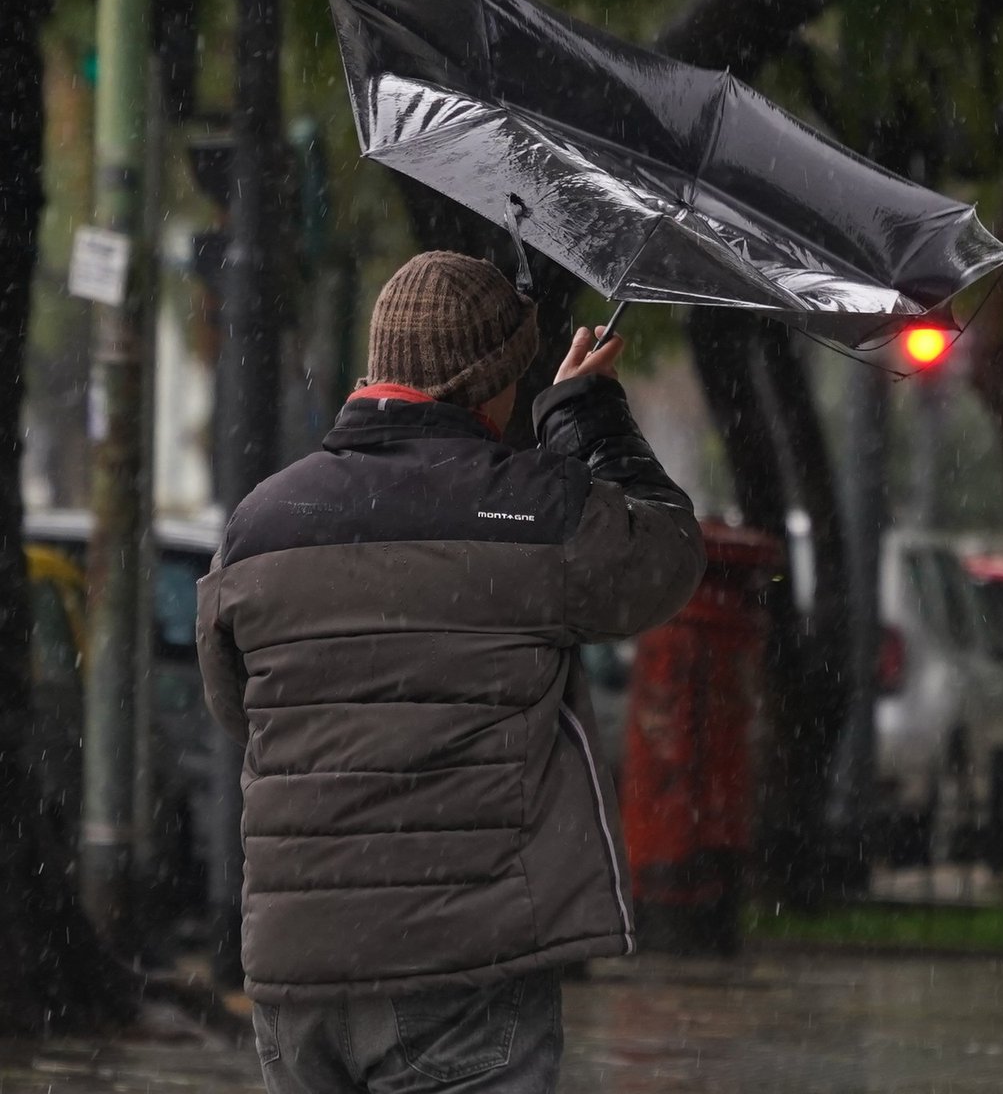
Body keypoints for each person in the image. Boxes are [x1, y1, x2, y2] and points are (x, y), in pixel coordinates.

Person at [197, 250, 706, 1093]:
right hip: (463, 961)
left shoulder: (262, 521)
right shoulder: (537, 512)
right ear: (494, 383)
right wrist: (585, 415)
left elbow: (236, 707)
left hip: (299, 967)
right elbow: (666, 556)